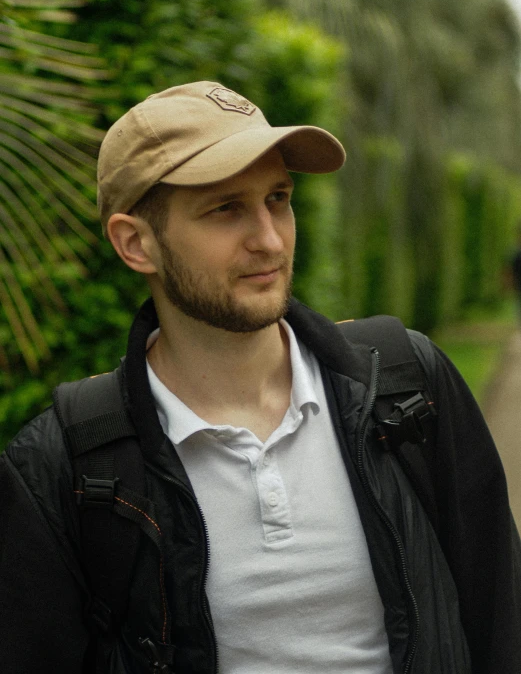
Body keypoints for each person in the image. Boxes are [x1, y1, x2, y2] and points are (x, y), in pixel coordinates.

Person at [1, 81, 520, 674]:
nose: (270, 240)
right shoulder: (67, 463)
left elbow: (501, 621)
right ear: (135, 242)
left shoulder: (405, 385)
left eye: (278, 198)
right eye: (226, 209)